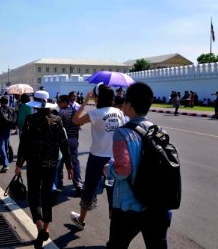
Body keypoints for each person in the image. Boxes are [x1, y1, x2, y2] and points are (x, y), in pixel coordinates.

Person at [105, 82, 172, 248]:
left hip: (128, 206)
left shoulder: (122, 133)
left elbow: (123, 170)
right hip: (157, 206)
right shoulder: (159, 132)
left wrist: (109, 169)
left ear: (129, 105)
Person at [15, 90, 73, 249]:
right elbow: (64, 144)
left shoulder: (30, 120)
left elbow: (24, 144)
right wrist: (69, 165)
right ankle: (44, 230)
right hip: (51, 164)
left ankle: (40, 228)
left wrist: (19, 164)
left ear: (35, 104)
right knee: (46, 196)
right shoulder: (57, 120)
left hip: (34, 164)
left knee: (34, 196)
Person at [69, 83, 125, 230]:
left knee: (90, 188)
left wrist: (85, 101)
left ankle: (81, 219)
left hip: (97, 158)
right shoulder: (119, 113)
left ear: (98, 98)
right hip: (114, 158)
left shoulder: (96, 113)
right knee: (113, 193)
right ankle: (116, 230)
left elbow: (75, 120)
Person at [56, 95, 83, 194]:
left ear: (64, 102)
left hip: (64, 141)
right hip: (74, 139)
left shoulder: (61, 113)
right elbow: (78, 126)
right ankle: (78, 184)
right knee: (75, 163)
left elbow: (59, 130)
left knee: (60, 164)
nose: (58, 104)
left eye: (59, 102)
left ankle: (59, 184)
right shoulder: (75, 112)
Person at [0, 96, 15, 172]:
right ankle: (3, 160)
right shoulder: (11, 109)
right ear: (7, 102)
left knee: (1, 145)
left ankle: (5, 164)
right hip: (8, 129)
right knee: (6, 144)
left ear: (0, 102)